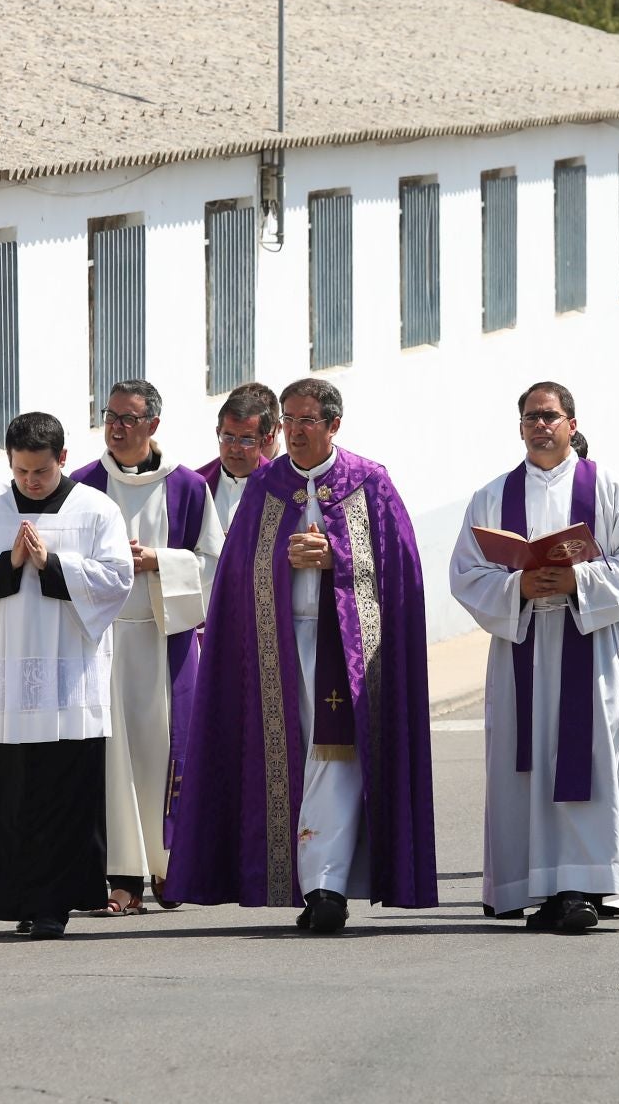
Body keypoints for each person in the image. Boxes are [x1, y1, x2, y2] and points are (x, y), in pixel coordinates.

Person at [165, 378, 437, 933]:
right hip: (280, 646)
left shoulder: (369, 483)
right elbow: (238, 574)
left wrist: (337, 558)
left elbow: (399, 569)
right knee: (294, 758)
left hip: (348, 647)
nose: (294, 430)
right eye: (288, 419)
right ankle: (308, 881)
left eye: (307, 420)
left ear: (334, 425)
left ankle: (326, 885)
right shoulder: (266, 486)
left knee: (336, 760)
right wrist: (282, 562)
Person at [448, 382, 619, 933]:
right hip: (524, 644)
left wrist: (576, 579)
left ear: (572, 422)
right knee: (528, 765)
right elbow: (466, 573)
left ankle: (583, 887)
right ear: (519, 426)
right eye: (530, 417)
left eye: (549, 416)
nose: (540, 426)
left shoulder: (609, 489)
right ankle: (534, 887)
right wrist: (519, 584)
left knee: (590, 759)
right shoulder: (492, 495)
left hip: (590, 647)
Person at [0, 412, 134, 940]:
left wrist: (52, 564)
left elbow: (118, 579)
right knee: (8, 796)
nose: (30, 481)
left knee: (63, 796)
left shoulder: (96, 510)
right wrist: (6, 560)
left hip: (67, 681)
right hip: (4, 685)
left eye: (40, 471)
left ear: (62, 459)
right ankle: (13, 899)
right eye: (21, 471)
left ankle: (55, 904)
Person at [71, 380, 224, 915]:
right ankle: (122, 878)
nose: (116, 426)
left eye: (130, 418)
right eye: (110, 415)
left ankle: (170, 868)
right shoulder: (83, 485)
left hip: (163, 638)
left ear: (153, 425)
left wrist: (159, 560)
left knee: (163, 756)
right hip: (102, 642)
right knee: (110, 760)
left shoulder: (185, 487)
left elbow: (214, 564)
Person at [197, 383, 276, 531]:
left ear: (265, 441)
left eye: (247, 440)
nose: (235, 448)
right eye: (228, 437)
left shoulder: (282, 485)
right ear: (217, 432)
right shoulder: (196, 484)